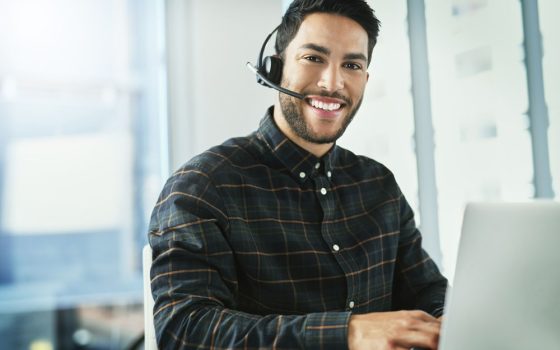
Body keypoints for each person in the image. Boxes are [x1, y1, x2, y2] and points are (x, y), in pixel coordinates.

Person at [148, 0, 448, 349]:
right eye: (314, 58)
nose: (333, 83)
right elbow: (184, 329)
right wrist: (347, 333)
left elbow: (425, 290)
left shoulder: (378, 184)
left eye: (351, 64)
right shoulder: (203, 186)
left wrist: (450, 320)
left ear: (365, 79)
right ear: (275, 68)